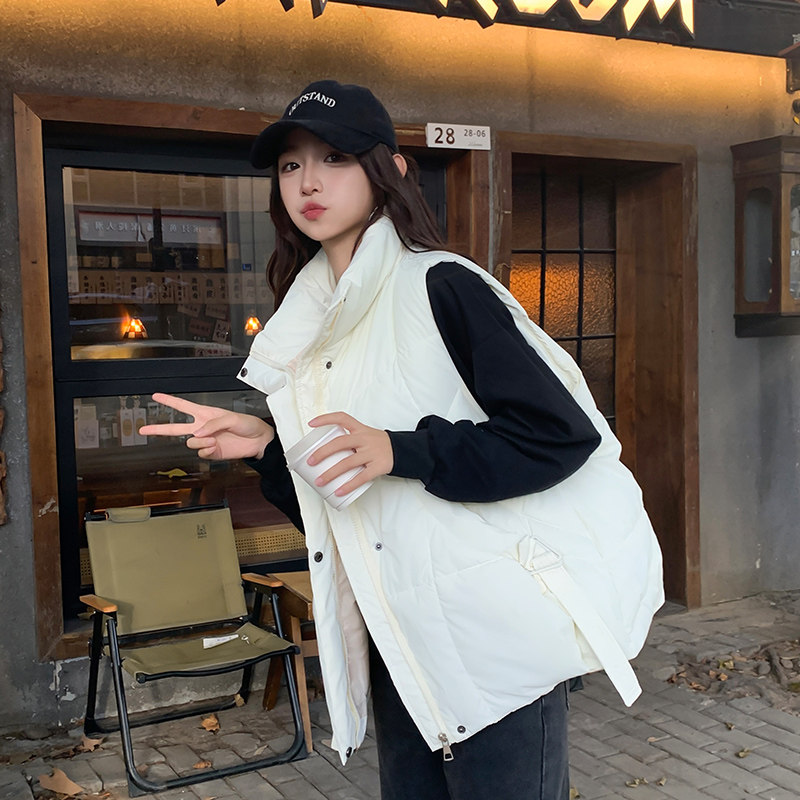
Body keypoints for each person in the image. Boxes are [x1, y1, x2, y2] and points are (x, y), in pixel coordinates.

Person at [140, 79, 663, 800]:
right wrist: (267, 446)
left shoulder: (442, 285)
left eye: (334, 158)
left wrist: (402, 449)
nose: (308, 182)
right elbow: (346, 511)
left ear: (390, 169)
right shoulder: (315, 323)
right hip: (399, 635)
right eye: (290, 165)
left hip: (493, 637)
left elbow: (560, 436)